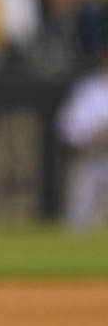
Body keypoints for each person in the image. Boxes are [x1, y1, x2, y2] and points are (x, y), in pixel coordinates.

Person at [56, 50, 108, 230]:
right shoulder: (88, 89)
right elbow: (67, 126)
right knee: (79, 221)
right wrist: (94, 136)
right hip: (90, 159)